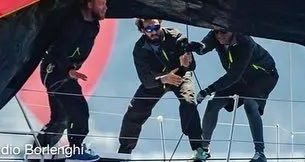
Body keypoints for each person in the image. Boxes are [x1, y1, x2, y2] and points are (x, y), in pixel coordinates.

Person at [34, 0, 126, 161]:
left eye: (106, 4)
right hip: (56, 70)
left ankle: (37, 151)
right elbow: (57, 50)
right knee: (79, 110)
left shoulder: (93, 20)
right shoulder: (72, 22)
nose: (105, 7)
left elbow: (99, 3)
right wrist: (68, 70)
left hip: (67, 73)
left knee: (60, 118)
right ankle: (76, 150)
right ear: (89, 4)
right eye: (102, 4)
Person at [116, 19, 207, 161]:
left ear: (160, 24)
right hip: (157, 80)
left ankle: (198, 149)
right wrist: (164, 79)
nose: (154, 31)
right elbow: (145, 80)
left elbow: (191, 66)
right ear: (142, 31)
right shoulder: (139, 48)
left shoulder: (175, 35)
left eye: (156, 27)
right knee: (135, 111)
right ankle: (124, 152)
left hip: (179, 74)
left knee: (188, 102)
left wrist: (187, 62)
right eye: (149, 29)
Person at [192, 29, 278, 162]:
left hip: (263, 76)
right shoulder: (216, 35)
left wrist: (208, 90)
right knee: (213, 103)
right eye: (216, 32)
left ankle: (260, 154)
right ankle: (204, 150)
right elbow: (204, 47)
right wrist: (198, 47)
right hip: (241, 77)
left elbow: (233, 75)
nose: (219, 36)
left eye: (223, 32)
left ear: (233, 31)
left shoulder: (245, 42)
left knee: (250, 104)